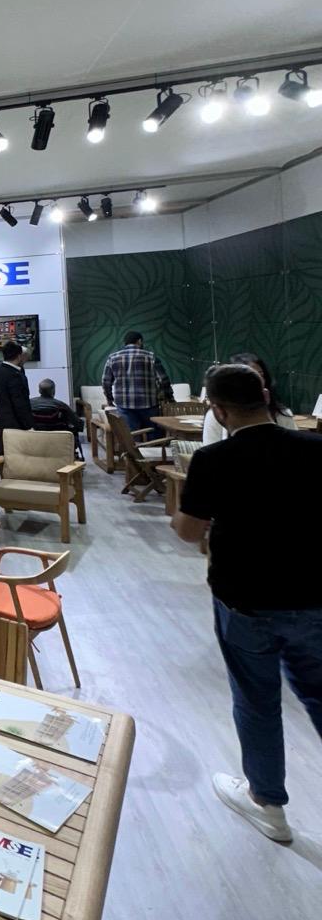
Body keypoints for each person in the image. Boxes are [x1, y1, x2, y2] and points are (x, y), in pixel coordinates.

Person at [173, 362, 322, 844]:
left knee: (256, 701)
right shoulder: (315, 447)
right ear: (266, 397)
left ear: (218, 410)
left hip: (244, 601)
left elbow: (188, 531)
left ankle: (268, 806)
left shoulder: (212, 460)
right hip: (313, 597)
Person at [201, 352, 294, 444]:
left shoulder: (282, 414)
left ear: (266, 395)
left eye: (261, 375)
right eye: (247, 378)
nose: (257, 381)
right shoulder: (216, 415)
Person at [101, 330, 173, 432]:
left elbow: (106, 382)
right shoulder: (151, 356)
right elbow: (163, 380)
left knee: (132, 436)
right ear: (139, 341)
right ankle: (154, 442)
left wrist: (109, 399)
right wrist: (169, 397)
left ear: (125, 343)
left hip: (124, 405)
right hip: (149, 404)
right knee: (153, 434)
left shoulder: (113, 358)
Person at [0, 340, 33, 430]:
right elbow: (19, 403)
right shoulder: (15, 375)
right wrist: (28, 425)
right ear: (19, 356)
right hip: (17, 425)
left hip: (3, 421)